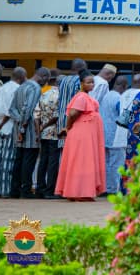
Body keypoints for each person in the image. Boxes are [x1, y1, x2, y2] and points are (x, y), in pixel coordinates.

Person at [55, 71, 106, 201]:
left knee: (83, 161)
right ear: (82, 83)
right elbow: (72, 113)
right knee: (83, 161)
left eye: (92, 82)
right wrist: (68, 127)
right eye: (88, 82)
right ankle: (79, 192)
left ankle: (79, 191)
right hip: (82, 133)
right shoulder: (82, 97)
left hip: (85, 133)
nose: (91, 84)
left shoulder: (85, 96)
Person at [10, 67, 47, 199]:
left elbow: (11, 109)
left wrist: (18, 121)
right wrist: (23, 126)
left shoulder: (20, 87)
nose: (45, 82)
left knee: (18, 160)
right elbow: (29, 109)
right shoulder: (35, 88)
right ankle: (25, 190)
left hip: (18, 129)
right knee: (28, 161)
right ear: (42, 76)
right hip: (29, 130)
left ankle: (14, 190)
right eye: (45, 80)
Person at [0, 71, 19, 197]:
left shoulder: (2, 88)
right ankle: (5, 190)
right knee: (7, 160)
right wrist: (1, 126)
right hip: (9, 127)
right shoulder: (18, 89)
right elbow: (10, 112)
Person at [34, 71, 61, 198]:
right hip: (54, 133)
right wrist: (45, 126)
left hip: (43, 133)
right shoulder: (59, 95)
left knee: (43, 161)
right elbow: (56, 116)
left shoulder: (43, 94)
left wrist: (39, 129)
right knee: (53, 162)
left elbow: (36, 114)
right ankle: (50, 190)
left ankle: (40, 188)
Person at [55, 59, 86, 157]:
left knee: (63, 154)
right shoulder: (79, 82)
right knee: (74, 155)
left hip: (61, 122)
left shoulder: (63, 80)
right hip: (72, 122)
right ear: (81, 68)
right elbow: (79, 105)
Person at [104, 76, 128, 195]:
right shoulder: (119, 98)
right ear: (123, 86)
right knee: (116, 164)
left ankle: (105, 188)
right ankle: (112, 189)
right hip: (115, 137)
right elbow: (122, 117)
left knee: (106, 163)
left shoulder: (106, 95)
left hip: (105, 136)